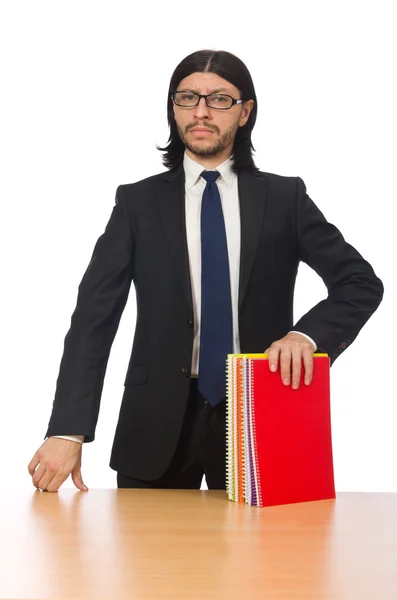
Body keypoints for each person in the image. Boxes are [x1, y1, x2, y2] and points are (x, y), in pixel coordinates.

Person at [28, 49, 384, 493]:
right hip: (153, 422)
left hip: (259, 412)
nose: (201, 111)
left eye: (219, 99)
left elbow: (359, 283)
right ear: (173, 108)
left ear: (245, 111)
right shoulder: (137, 204)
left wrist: (304, 337)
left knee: (271, 561)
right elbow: (93, 321)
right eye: (187, 98)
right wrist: (68, 429)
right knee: (150, 563)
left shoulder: (284, 199)